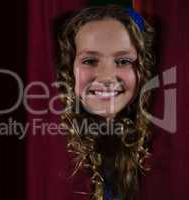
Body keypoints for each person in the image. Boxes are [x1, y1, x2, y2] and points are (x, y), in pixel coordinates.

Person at [56, 5, 155, 200]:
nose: (107, 77)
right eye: (90, 61)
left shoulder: (157, 143)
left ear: (144, 68)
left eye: (123, 61)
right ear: (69, 68)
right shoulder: (57, 141)